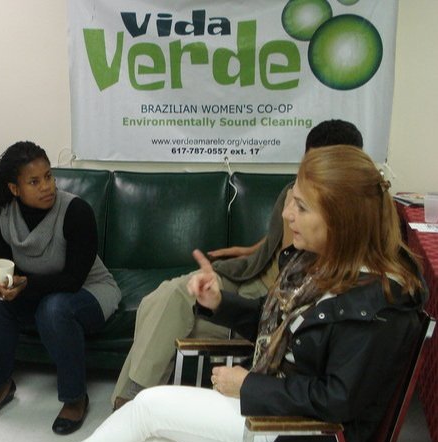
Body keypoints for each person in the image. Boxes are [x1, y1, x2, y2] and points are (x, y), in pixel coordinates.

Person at [0, 145, 426, 442]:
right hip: (276, 412)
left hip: (300, 436)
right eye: (292, 200)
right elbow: (280, 330)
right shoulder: (319, 265)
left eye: (301, 207)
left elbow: (337, 400)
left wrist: (248, 386)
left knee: (149, 406)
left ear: (343, 221)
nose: (287, 216)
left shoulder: (377, 301)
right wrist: (219, 303)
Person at [111, 119, 364, 409]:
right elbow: (279, 239)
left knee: (161, 309)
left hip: (273, 294)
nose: (291, 211)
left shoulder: (348, 236)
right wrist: (249, 250)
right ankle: (130, 406)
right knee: (165, 295)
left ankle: (128, 405)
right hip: (253, 272)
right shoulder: (293, 192)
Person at [0, 141, 121, 435]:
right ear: (15, 189)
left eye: (49, 176)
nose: (47, 187)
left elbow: (72, 280)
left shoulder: (76, 211)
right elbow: (3, 261)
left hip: (89, 291)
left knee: (53, 309)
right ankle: (0, 386)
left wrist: (23, 287)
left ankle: (75, 397)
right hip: (35, 292)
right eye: (34, 181)